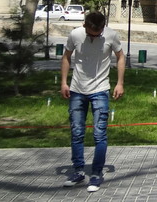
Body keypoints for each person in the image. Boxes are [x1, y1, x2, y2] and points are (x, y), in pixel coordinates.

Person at [60, 11, 125, 192]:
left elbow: (120, 57)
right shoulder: (75, 34)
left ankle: (96, 173)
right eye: (90, 34)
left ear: (103, 28)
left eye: (97, 35)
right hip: (77, 90)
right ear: (85, 26)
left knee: (99, 134)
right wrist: (64, 82)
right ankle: (78, 171)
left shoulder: (111, 35)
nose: (93, 37)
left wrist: (119, 83)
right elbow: (66, 57)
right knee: (77, 132)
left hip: (100, 90)